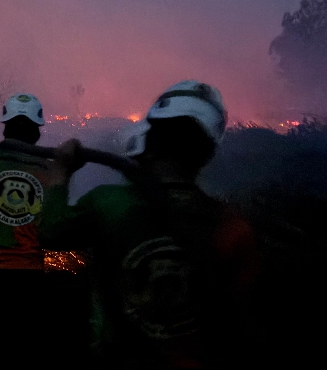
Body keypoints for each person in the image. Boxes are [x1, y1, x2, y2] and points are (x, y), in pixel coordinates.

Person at [41, 80, 260, 369]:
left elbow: (50, 231)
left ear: (148, 141)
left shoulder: (109, 203)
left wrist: (59, 175)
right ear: (205, 155)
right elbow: (246, 324)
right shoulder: (233, 227)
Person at [0, 92, 68, 364]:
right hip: (27, 280)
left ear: (5, 126)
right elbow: (55, 230)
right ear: (37, 132)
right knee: (21, 351)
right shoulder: (51, 169)